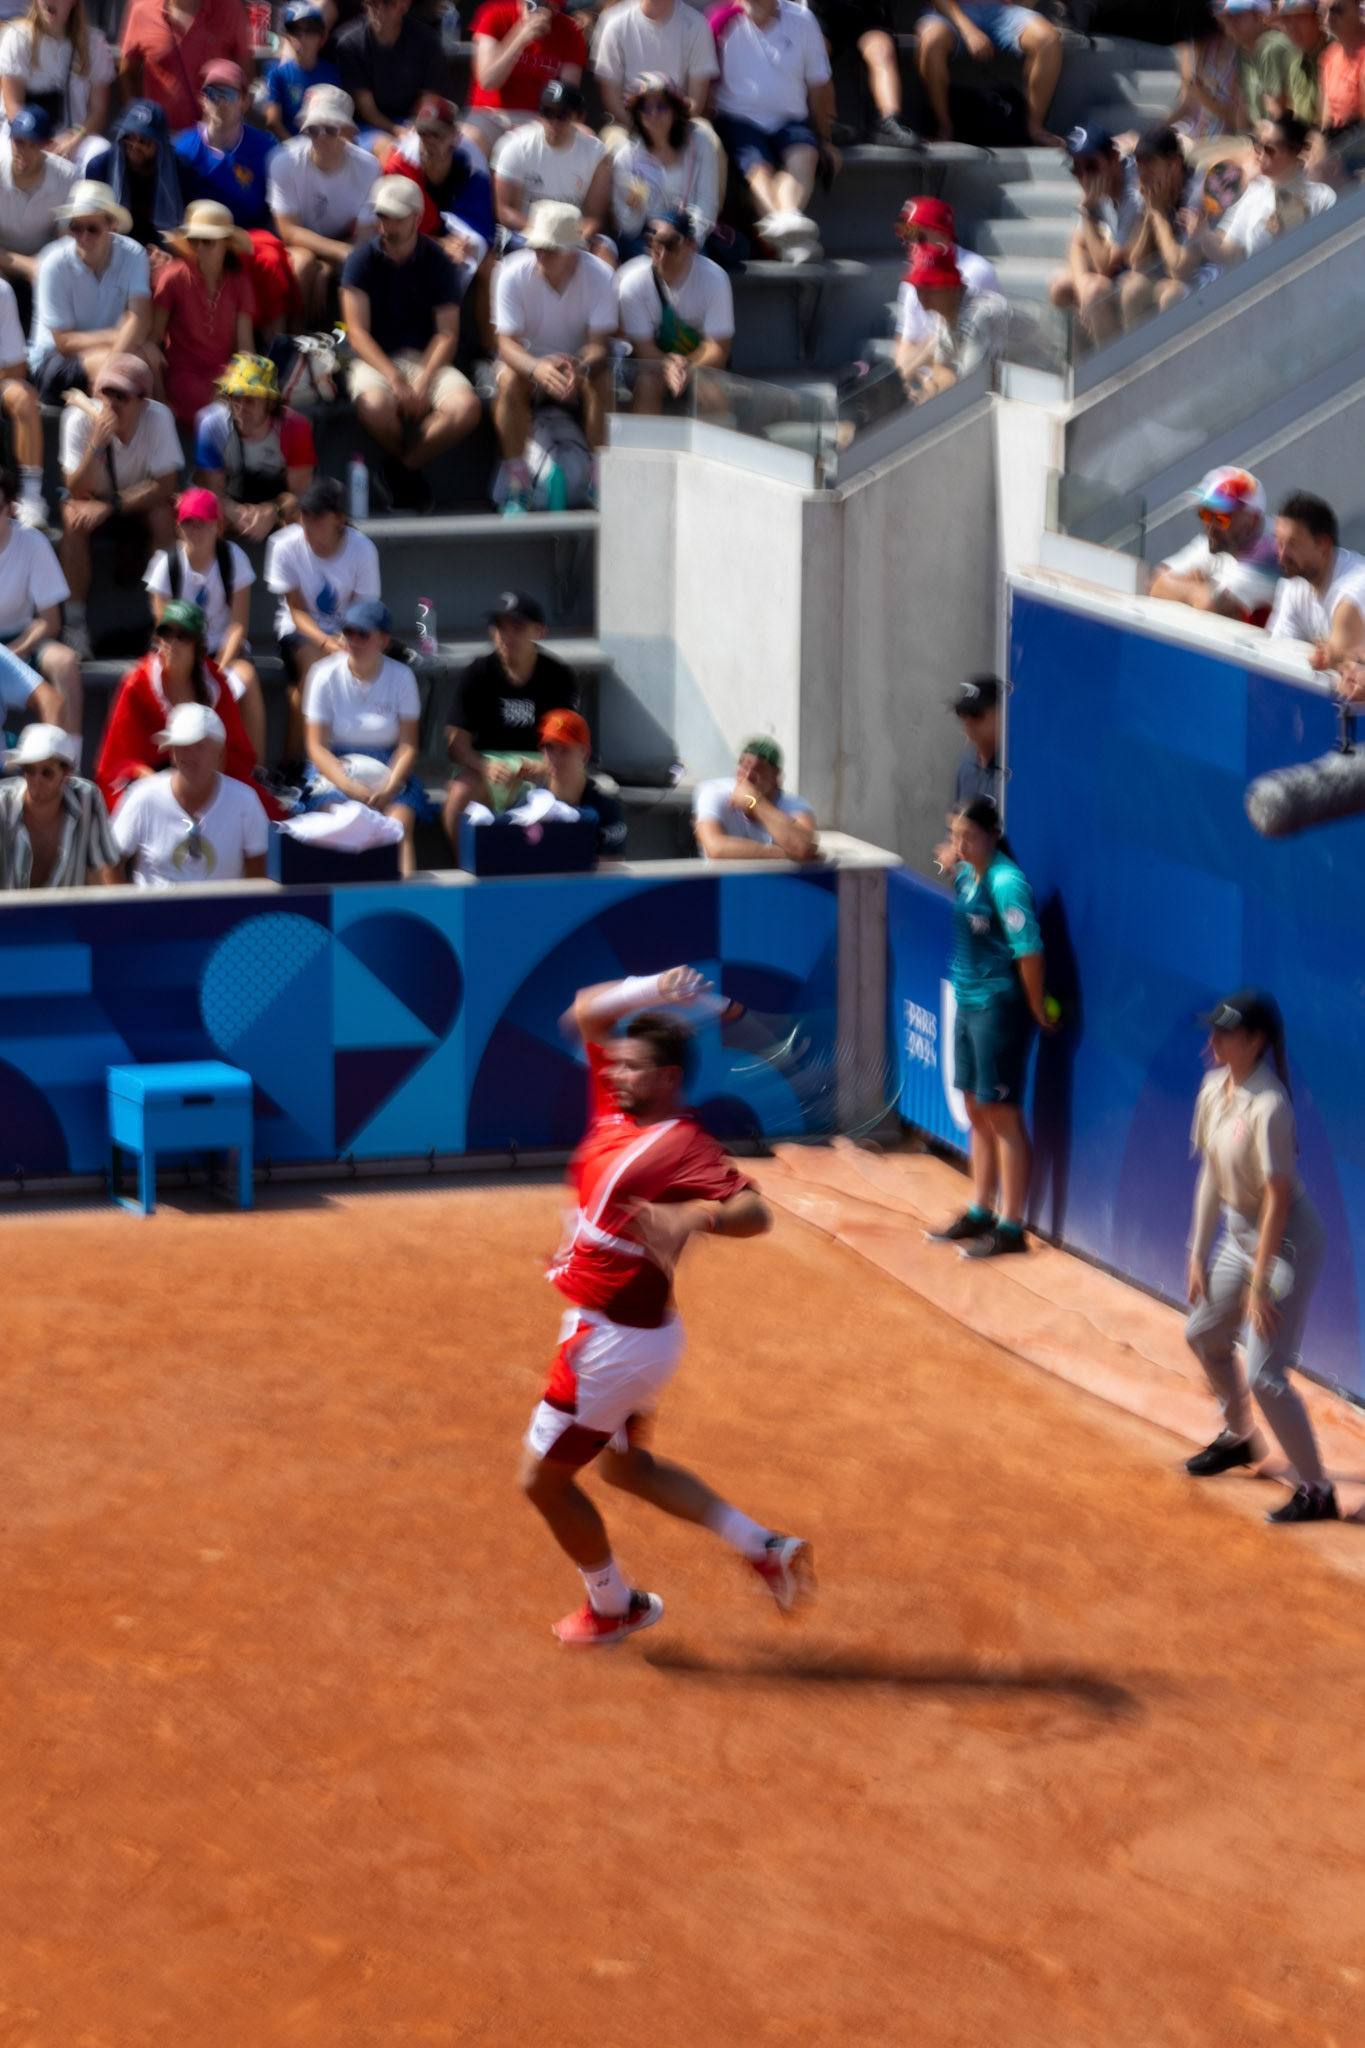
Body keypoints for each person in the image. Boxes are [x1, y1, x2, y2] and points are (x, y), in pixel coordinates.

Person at [520, 962, 813, 1646]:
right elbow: (584, 1012)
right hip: (635, 1333)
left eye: (634, 1069)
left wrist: (694, 1219)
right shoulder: (614, 1109)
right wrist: (654, 987)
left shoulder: (681, 1144)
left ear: (671, 1079)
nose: (616, 1076)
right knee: (625, 1467)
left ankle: (613, 1606)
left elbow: (753, 1211)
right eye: (615, 1066)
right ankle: (762, 1546)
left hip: (610, 1343)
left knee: (542, 1482)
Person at [1184, 987, 1337, 1522]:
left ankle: (1318, 1490)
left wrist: (1259, 1283)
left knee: (1265, 1374)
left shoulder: (1271, 1105)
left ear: (1256, 1042)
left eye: (1226, 1032)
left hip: (1286, 1245)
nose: (1214, 1040)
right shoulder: (1212, 1089)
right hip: (1240, 1237)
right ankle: (1240, 1436)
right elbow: (1209, 1175)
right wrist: (1196, 1253)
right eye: (1213, 1030)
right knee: (1201, 1332)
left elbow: (1275, 1198)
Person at [926, 794, 1053, 1260]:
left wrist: (1036, 1007)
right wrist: (953, 859)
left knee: (1002, 1116)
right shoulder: (970, 871)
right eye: (955, 834)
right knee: (976, 1109)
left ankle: (1012, 1226)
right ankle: (980, 1210)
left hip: (999, 1010)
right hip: (967, 1004)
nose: (958, 843)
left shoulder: (1006, 883)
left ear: (994, 835)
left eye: (968, 836)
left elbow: (1029, 951)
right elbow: (957, 864)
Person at [340, 174, 480, 513]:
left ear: (417, 217)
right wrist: (395, 379)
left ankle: (401, 468)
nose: (388, 223)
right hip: (376, 360)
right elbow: (357, 333)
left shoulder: (437, 261)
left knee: (467, 408)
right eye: (383, 215)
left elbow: (447, 333)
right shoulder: (360, 259)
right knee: (374, 406)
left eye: (397, 215)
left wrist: (423, 379)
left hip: (424, 358)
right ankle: (409, 468)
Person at [492, 199, 616, 512]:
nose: (540, 253)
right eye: (537, 246)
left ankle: (599, 480)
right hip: (527, 368)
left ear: (573, 251)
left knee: (602, 379)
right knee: (507, 381)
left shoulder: (600, 276)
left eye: (550, 248)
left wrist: (579, 366)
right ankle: (517, 484)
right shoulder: (510, 272)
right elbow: (506, 345)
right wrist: (536, 369)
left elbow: (599, 346)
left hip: (575, 370)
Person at [58, 349, 179, 659]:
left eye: (121, 395)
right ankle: (74, 627)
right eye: (105, 391)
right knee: (72, 517)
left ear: (143, 400)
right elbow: (77, 488)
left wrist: (111, 506)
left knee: (165, 515)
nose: (110, 402)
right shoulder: (77, 419)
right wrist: (97, 443)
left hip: (133, 507)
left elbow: (166, 487)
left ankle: (164, 626)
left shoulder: (159, 418)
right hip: (94, 503)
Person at [94, 597, 270, 806]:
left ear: (198, 644)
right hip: (151, 781)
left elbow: (230, 754)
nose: (172, 643)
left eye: (183, 635)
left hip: (205, 776)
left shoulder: (216, 685)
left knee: (247, 802)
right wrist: (163, 789)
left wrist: (201, 783)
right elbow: (121, 758)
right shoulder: (137, 683)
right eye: (165, 633)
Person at [302, 596, 426, 875]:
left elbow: (408, 746)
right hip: (336, 763)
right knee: (336, 820)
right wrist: (347, 785)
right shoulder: (322, 674)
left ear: (383, 640)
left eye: (363, 633)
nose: (354, 640)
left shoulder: (402, 677)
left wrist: (390, 787)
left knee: (399, 825)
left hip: (388, 765)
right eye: (349, 632)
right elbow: (316, 746)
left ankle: (404, 899)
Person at [441, 587, 577, 840]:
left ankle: (557, 871)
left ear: (539, 631)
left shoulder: (559, 676)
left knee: (569, 783)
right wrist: (484, 765)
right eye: (499, 627)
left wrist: (546, 766)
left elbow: (571, 741)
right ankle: (467, 871)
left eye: (517, 628)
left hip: (543, 765)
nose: (505, 636)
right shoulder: (478, 672)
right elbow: (455, 743)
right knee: (458, 793)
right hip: (487, 767)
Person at [266, 471, 381, 763]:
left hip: (350, 631)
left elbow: (361, 612)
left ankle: (336, 760)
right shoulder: (283, 545)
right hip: (298, 629)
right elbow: (297, 611)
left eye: (317, 515)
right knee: (316, 669)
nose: (307, 522)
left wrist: (345, 639)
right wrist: (326, 641)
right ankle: (300, 763)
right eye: (304, 514)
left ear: (339, 519)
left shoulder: (363, 549)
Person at [711, 0, 836, 264]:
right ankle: (794, 238)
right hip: (738, 118)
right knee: (759, 168)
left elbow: (818, 84)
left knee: (806, 155)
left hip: (791, 119)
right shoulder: (720, 21)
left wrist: (823, 138)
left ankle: (786, 228)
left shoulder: (802, 19)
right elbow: (706, 82)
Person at [144, 486, 263, 763]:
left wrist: (218, 669)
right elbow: (164, 629)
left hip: (223, 652)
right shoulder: (165, 565)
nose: (194, 531)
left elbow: (237, 626)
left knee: (248, 678)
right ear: (177, 527)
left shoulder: (234, 559)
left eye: (202, 523)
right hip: (180, 650)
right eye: (188, 523)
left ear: (218, 527)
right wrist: (190, 667)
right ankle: (173, 760)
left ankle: (257, 769)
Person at [111, 698, 269, 885]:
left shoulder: (245, 801)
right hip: (154, 914)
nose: (187, 755)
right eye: (180, 746)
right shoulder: (142, 796)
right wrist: (127, 912)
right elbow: (110, 863)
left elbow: (259, 872)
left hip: (220, 914)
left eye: (198, 747)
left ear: (220, 755)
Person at [29, 177, 152, 399]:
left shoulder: (134, 254)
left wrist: (114, 358)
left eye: (92, 229)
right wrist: (120, 339)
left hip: (106, 353)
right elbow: (64, 342)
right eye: (75, 228)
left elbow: (140, 318)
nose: (83, 236)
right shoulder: (52, 262)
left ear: (111, 226)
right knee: (134, 367)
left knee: (140, 364)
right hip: (52, 361)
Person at [268, 84, 379, 328]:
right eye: (312, 129)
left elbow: (366, 235)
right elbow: (289, 232)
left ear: (348, 132)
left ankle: (356, 342)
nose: (320, 137)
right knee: (303, 263)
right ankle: (296, 343)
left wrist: (331, 262)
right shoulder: (283, 160)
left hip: (342, 243)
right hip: (299, 246)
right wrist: (339, 254)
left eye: (330, 129)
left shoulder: (369, 167)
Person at [192, 351, 317, 544]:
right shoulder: (212, 425)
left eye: (250, 400)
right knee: (200, 515)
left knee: (307, 518)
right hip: (229, 502)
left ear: (270, 402)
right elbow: (211, 490)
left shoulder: (295, 428)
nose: (240, 409)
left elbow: (300, 493)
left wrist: (272, 511)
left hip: (279, 504)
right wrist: (236, 513)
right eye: (235, 398)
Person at [618, 205, 733, 410]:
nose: (661, 255)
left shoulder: (715, 279)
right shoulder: (631, 281)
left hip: (701, 365)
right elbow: (643, 348)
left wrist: (687, 368)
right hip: (650, 365)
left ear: (691, 245)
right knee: (648, 383)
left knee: (711, 393)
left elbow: (718, 349)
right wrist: (668, 366)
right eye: (653, 244)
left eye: (670, 245)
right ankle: (645, 441)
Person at [151, 200, 255, 427]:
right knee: (218, 404)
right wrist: (160, 398)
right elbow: (152, 342)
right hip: (181, 375)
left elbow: (245, 348)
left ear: (226, 244)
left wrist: (245, 383)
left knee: (251, 400)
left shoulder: (240, 281)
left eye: (207, 241)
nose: (198, 248)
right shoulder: (173, 277)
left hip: (224, 373)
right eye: (193, 240)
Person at [915, 0, 1063, 148]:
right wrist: (968, 31)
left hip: (1002, 10)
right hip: (951, 12)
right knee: (931, 43)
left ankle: (1034, 128)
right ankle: (944, 127)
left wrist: (1023, 6)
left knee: (1047, 40)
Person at [0, 461, 80, 731]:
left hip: (24, 643)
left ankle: (67, 763)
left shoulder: (34, 543)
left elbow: (50, 621)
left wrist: (15, 652)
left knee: (65, 661)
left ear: (11, 508)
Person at [493, 80, 613, 258]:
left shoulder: (596, 153)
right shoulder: (515, 146)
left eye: (562, 115)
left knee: (605, 252)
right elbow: (505, 212)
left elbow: (593, 216)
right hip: (525, 232)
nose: (553, 122)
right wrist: (547, 237)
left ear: (578, 117)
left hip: (575, 235)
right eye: (547, 112)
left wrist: (571, 239)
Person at [610, 72, 723, 261]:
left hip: (688, 232)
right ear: (637, 114)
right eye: (645, 108)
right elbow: (628, 228)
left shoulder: (701, 144)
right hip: (645, 236)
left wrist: (690, 240)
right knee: (653, 260)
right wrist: (634, 208)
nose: (653, 114)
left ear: (675, 110)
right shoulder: (625, 156)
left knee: (689, 261)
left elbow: (706, 204)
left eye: (662, 106)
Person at [1195, 109, 1333, 263]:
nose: (1260, 154)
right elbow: (1229, 255)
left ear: (1294, 151)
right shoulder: (1252, 195)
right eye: (1259, 146)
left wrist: (1283, 234)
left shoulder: (1322, 197)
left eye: (1269, 149)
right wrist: (1202, 232)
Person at [1047, 127, 1142, 348]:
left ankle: (1112, 369)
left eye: (1090, 166)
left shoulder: (1134, 194)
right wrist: (1081, 291)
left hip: (1143, 271)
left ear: (1114, 159)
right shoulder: (1096, 189)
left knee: (1094, 289)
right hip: (1114, 275)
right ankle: (1079, 368)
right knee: (1060, 286)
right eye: (1076, 169)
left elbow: (1105, 266)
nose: (1084, 177)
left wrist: (1087, 212)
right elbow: (1076, 247)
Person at [1148, 466, 1280, 625]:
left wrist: (1196, 590)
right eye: (1205, 513)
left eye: (1221, 517)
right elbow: (1156, 582)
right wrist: (1197, 591)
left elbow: (1209, 607)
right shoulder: (1222, 540)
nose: (1209, 525)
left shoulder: (1271, 552)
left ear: (1253, 521)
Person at [0, 720, 119, 887]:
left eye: (46, 772)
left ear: (67, 774)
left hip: (70, 912)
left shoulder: (88, 799)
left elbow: (103, 869)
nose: (36, 780)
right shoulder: (2, 805)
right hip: (7, 913)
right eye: (29, 770)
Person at [0, 0, 114, 171]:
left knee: (100, 152)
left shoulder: (94, 42)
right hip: (22, 137)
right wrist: (33, 144)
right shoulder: (17, 36)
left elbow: (98, 110)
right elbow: (13, 105)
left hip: (73, 137)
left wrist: (73, 139)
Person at [464, 0, 587, 157]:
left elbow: (566, 98)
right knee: (470, 142)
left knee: (583, 138)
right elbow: (488, 81)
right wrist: (521, 37)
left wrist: (538, 125)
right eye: (542, 4)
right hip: (490, 114)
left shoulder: (570, 30)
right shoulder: (494, 13)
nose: (548, 11)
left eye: (555, 6)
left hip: (540, 118)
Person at [378, 92, 496, 253]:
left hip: (455, 237)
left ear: (454, 135)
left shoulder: (472, 162)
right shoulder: (398, 165)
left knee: (482, 259)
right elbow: (391, 226)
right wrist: (441, 244)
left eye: (437, 134)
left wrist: (460, 243)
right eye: (423, 132)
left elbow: (480, 223)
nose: (429, 141)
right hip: (406, 241)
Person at [115, 0, 251, 138]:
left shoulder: (230, 9)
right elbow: (126, 74)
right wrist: (138, 122)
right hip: (160, 141)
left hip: (213, 142)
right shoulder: (141, 8)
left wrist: (227, 126)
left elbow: (245, 76)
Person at [173, 60, 277, 233]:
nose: (220, 101)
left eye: (229, 94)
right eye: (212, 93)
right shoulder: (182, 149)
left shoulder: (267, 148)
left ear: (245, 101)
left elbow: (277, 210)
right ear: (203, 100)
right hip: (201, 239)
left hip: (252, 238)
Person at [895, 240, 1007, 401]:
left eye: (930, 287)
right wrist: (927, 390)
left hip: (1035, 382)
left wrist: (927, 394)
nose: (922, 295)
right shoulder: (946, 313)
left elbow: (974, 389)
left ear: (951, 286)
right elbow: (941, 369)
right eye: (918, 287)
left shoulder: (976, 317)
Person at [336, 0, 452, 154]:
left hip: (415, 122)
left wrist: (417, 128)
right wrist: (396, 130)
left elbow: (429, 99)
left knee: (455, 144)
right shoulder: (350, 43)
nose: (379, 9)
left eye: (388, 3)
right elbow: (367, 110)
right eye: (372, 3)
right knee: (392, 150)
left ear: (405, 4)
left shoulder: (427, 40)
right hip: (367, 127)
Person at [1266, 488, 1365, 667]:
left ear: (1323, 545)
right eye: (1279, 542)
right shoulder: (1293, 585)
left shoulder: (1353, 591)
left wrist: (1329, 657)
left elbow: (1344, 677)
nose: (1281, 554)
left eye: (1292, 543)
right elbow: (1277, 655)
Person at [894, 195, 999, 361]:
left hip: (971, 371)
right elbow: (906, 344)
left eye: (919, 236)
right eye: (905, 234)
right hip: (932, 375)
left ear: (943, 237)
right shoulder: (914, 273)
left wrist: (911, 373)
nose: (910, 242)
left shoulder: (975, 271)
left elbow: (955, 345)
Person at [0, 104, 78, 327]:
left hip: (46, 260)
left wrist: (45, 264)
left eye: (32, 144)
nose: (23, 150)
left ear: (48, 144)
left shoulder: (68, 176)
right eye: (18, 142)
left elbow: (67, 238)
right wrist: (28, 266)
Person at [1118, 124, 1202, 328]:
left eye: (1149, 162)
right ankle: (1135, 359)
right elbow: (1137, 264)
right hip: (1172, 277)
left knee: (1172, 294)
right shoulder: (1151, 191)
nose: (1141, 171)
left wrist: (1158, 214)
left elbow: (1181, 272)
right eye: (1138, 162)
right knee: (1131, 285)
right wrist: (1151, 213)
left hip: (1208, 279)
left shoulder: (1197, 195)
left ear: (1174, 163)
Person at [805, 0, 920, 147]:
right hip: (824, 16)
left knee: (882, 51)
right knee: (815, 51)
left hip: (869, 15)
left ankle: (889, 121)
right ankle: (821, 123)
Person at [692, 735, 818, 861]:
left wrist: (755, 802)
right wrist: (788, 854)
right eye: (744, 767)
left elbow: (803, 847)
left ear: (776, 776)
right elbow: (716, 849)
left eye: (758, 769)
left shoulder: (796, 805)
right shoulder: (714, 793)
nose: (748, 776)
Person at [593, 0, 717, 124]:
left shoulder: (697, 25)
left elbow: (696, 100)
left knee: (705, 133)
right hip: (628, 125)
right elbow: (611, 93)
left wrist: (669, 134)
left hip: (679, 125)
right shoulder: (614, 23)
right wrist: (642, 131)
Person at [83, 99, 181, 256]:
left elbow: (185, 229)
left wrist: (167, 257)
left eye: (144, 140)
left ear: (161, 144)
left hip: (165, 250)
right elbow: (92, 224)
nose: (135, 145)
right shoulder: (100, 167)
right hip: (113, 249)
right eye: (128, 136)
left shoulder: (180, 169)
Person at [536, 705, 626, 856]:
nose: (555, 758)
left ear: (585, 755)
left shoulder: (607, 811)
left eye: (564, 749)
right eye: (549, 748)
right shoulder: (528, 806)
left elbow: (609, 871)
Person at [263, 0, 342, 144]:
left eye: (310, 31)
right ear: (287, 36)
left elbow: (337, 118)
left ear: (322, 38)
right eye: (294, 30)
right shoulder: (276, 74)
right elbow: (273, 121)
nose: (303, 37)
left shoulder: (332, 73)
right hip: (286, 146)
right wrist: (296, 148)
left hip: (322, 145)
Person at [1267, 0, 1328, 126]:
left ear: (1317, 18)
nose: (1292, 27)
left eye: (1300, 18)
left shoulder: (1335, 58)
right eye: (1286, 20)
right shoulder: (1294, 63)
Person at [1319, 0, 1365, 147]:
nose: (1327, 19)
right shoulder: (1331, 56)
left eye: (1336, 10)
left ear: (1358, 7)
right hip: (1338, 148)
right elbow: (1326, 120)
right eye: (1322, 11)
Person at [951, 674, 1001, 806]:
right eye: (962, 712)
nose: (967, 721)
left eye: (975, 712)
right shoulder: (966, 765)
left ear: (1000, 714)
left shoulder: (1015, 768)